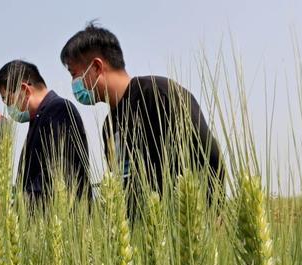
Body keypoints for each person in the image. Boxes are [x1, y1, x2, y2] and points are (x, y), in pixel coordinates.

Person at [60, 23, 223, 205]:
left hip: (181, 225)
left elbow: (210, 159)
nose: (74, 83)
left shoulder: (160, 95)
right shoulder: (109, 125)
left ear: (97, 67)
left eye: (75, 74)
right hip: (140, 231)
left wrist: (213, 218)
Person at [0, 60, 90, 202]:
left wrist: (19, 209)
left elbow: (56, 174)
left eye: (8, 100)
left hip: (61, 218)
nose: (9, 108)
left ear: (25, 90)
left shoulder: (58, 110)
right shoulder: (38, 118)